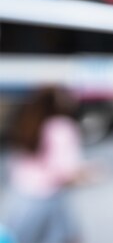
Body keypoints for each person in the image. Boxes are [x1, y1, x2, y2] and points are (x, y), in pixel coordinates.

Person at [3, 86, 88, 243]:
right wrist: (89, 174)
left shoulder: (26, 122)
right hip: (49, 200)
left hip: (22, 198)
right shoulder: (61, 126)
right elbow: (67, 171)